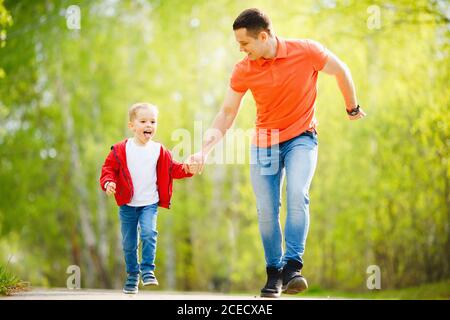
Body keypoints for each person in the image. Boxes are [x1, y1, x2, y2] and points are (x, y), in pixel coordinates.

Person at [185, 8, 366, 298]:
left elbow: (340, 70)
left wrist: (352, 107)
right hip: (264, 142)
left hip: (302, 138)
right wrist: (204, 150)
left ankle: (293, 267)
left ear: (264, 36)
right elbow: (227, 112)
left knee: (297, 192)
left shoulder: (306, 51)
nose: (240, 49)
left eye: (244, 43)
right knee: (267, 210)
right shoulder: (244, 68)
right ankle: (274, 273)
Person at [100, 102, 193, 294]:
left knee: (149, 233)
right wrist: (108, 182)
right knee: (128, 243)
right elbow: (108, 169)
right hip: (127, 204)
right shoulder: (120, 149)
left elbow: (173, 169)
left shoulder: (159, 150)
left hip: (149, 203)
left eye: (153, 121)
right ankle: (132, 275)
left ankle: (148, 270)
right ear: (132, 126)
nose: (149, 125)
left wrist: (187, 168)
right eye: (143, 121)